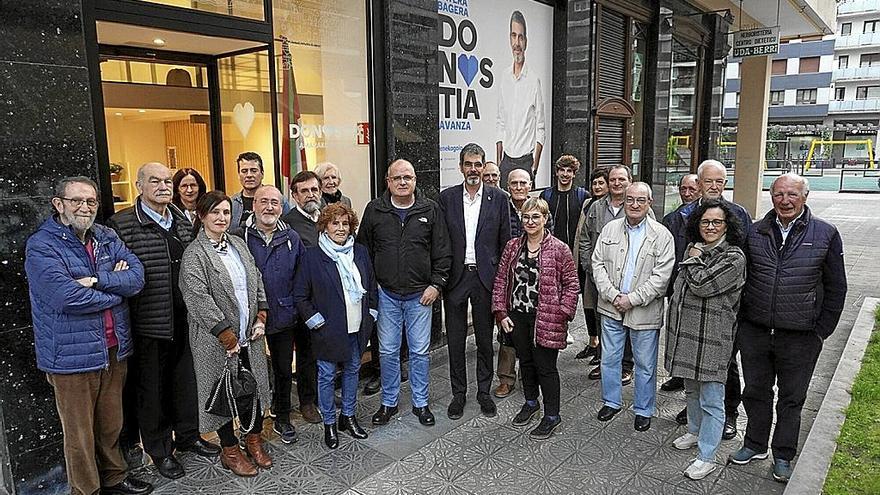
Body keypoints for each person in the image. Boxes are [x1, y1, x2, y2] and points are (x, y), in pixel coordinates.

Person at [26, 177, 152, 495]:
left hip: (113, 349)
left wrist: (95, 280)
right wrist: (116, 290)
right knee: (79, 433)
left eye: (91, 201)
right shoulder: (42, 245)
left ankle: (114, 478)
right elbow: (67, 297)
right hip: (70, 357)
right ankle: (86, 489)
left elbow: (136, 278)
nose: (85, 207)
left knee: (111, 423)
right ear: (59, 204)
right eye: (77, 201)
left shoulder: (106, 237)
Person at [730, 173, 847, 483]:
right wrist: (743, 323)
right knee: (755, 391)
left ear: (804, 197)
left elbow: (837, 287)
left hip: (800, 335)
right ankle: (754, 444)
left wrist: (821, 330)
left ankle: (783, 453)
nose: (785, 200)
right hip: (755, 331)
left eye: (792, 194)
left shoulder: (825, 233)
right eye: (779, 193)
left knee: (792, 398)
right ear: (771, 196)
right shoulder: (755, 231)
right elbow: (742, 280)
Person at [108, 162, 219, 480]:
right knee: (152, 392)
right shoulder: (122, 224)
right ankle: (160, 451)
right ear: (139, 186)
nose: (163, 186)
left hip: (186, 319)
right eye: (154, 181)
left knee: (186, 385)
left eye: (167, 181)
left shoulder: (183, 222)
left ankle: (188, 436)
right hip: (149, 323)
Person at [179, 191, 273, 477]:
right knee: (221, 393)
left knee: (252, 388)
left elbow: (255, 277)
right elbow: (197, 297)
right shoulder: (194, 254)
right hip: (215, 340)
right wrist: (225, 335)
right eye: (215, 213)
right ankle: (230, 450)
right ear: (202, 216)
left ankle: (253, 440)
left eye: (226, 213)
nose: (222, 218)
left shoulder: (238, 244)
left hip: (250, 334)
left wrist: (261, 315)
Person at [357, 159, 452, 427]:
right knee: (387, 352)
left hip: (421, 295)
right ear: (387, 181)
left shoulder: (430, 209)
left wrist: (436, 285)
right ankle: (388, 402)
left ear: (414, 180)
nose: (402, 182)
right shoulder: (375, 210)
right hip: (386, 294)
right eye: (397, 178)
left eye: (407, 177)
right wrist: (372, 286)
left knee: (420, 352)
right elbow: (363, 251)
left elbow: (443, 251)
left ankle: (421, 403)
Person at [662, 160, 752, 438]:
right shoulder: (683, 214)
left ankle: (729, 413)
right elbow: (682, 252)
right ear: (698, 184)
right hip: (687, 298)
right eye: (708, 182)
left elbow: (744, 258)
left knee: (725, 365)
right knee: (690, 365)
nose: (714, 187)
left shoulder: (737, 214)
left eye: (719, 182)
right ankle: (694, 417)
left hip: (720, 305)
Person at [665, 199, 747, 480]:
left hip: (712, 339)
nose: (710, 227)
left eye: (717, 222)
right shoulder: (695, 249)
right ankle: (694, 430)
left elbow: (700, 284)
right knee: (691, 391)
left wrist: (692, 258)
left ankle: (707, 455)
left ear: (727, 226)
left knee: (712, 400)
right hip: (687, 335)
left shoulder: (733, 257)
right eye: (705, 222)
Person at [491, 198, 579, 439]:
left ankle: (552, 415)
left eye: (535, 217)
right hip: (517, 317)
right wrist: (501, 312)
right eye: (526, 217)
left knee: (546, 368)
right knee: (525, 363)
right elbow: (500, 280)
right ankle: (531, 403)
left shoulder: (559, 248)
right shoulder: (512, 247)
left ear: (545, 219)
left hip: (548, 317)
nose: (530, 221)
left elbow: (572, 284)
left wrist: (563, 312)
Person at [592, 182, 674, 432]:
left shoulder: (662, 235)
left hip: (644, 310)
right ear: (623, 201)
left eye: (641, 200)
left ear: (650, 202)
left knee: (646, 364)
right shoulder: (610, 229)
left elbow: (661, 278)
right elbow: (597, 265)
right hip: (611, 306)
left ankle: (643, 409)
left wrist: (633, 299)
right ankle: (611, 401)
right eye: (630, 200)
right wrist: (614, 295)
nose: (635, 205)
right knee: (610, 358)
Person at [295, 203, 378, 448]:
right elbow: (300, 295)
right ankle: (330, 424)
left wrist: (371, 313)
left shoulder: (360, 252)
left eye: (345, 224)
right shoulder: (312, 256)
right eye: (335, 223)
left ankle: (348, 417)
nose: (341, 228)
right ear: (325, 226)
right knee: (327, 375)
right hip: (327, 329)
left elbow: (371, 285)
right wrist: (315, 321)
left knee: (353, 371)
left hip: (357, 326)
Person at [439, 143, 511, 420]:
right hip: (456, 278)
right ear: (460, 167)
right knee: (455, 341)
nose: (473, 169)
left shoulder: (499, 198)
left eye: (478, 164)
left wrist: (503, 283)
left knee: (483, 340)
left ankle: (483, 391)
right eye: (468, 164)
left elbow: (505, 243)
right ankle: (459, 394)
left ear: (484, 166)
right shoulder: (446, 199)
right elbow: (441, 241)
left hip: (485, 279)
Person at [239, 185, 306, 444]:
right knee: (250, 371)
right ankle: (251, 424)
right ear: (253, 205)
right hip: (250, 318)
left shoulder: (292, 237)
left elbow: (301, 276)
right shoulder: (239, 237)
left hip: (284, 314)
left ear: (281, 207)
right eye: (263, 201)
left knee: (281, 369)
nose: (269, 207)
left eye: (275, 203)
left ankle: (282, 416)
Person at [578, 165, 651, 383]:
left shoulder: (641, 207)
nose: (616, 183)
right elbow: (584, 240)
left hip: (632, 280)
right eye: (613, 179)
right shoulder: (596, 208)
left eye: (621, 179)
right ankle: (604, 363)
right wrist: (590, 268)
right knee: (604, 322)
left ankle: (625, 365)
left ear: (630, 180)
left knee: (628, 322)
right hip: (601, 280)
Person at [279, 170, 322, 423]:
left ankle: (319, 393)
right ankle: (306, 402)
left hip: (324, 298)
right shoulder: (287, 223)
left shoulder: (326, 217)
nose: (310, 195)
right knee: (305, 353)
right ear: (294, 196)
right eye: (304, 191)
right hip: (300, 301)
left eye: (314, 189)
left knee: (321, 350)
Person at [496, 10, 545, 186]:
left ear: (526, 41)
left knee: (525, 209)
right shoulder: (504, 77)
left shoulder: (533, 80)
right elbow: (500, 121)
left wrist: (535, 165)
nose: (517, 43)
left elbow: (540, 128)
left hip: (526, 161)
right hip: (506, 161)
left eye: (521, 37)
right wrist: (499, 161)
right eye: (513, 36)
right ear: (510, 38)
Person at [575, 166, 609, 361]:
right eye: (594, 183)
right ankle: (593, 342)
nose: (597, 186)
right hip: (586, 263)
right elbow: (582, 235)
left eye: (600, 183)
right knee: (588, 305)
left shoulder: (612, 208)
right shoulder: (588, 203)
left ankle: (603, 351)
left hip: (604, 268)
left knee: (601, 309)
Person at [230, 152, 289, 233]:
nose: (249, 175)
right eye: (244, 171)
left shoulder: (279, 201)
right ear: (239, 175)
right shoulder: (231, 203)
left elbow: (288, 230)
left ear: (262, 174)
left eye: (254, 171)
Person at [540, 154, 589, 251]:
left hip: (574, 250)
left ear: (574, 174)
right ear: (557, 172)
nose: (565, 174)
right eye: (562, 170)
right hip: (550, 248)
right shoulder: (546, 195)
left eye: (569, 171)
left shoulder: (583, 195)